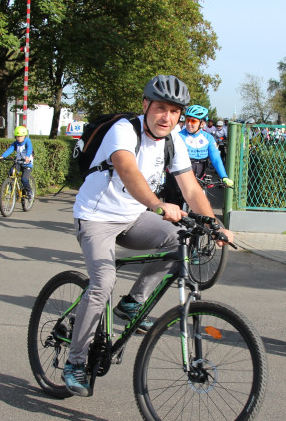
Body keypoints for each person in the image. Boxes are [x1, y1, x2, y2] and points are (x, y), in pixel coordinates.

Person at [62, 75, 234, 397]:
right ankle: (75, 362)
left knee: (178, 240)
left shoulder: (174, 141)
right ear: (145, 105)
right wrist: (157, 204)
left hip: (132, 218)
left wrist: (215, 224)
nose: (167, 117)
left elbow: (190, 187)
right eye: (160, 108)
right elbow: (127, 170)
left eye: (174, 111)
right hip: (96, 217)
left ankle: (132, 302)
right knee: (103, 283)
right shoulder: (124, 130)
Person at [159, 104, 234, 204]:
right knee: (175, 202)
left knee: (202, 205)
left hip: (199, 177)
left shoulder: (208, 138)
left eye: (193, 121)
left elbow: (216, 159)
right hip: (179, 176)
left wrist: (223, 176)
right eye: (187, 120)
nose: (189, 124)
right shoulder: (178, 136)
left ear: (202, 123)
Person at [0, 125, 34, 199]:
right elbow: (10, 150)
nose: (19, 138)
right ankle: (10, 190)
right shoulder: (15, 143)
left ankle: (29, 191)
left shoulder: (27, 141)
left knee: (24, 179)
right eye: (17, 137)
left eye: (21, 136)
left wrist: (27, 156)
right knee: (11, 172)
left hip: (27, 163)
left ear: (24, 136)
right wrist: (2, 156)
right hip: (19, 162)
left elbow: (29, 149)